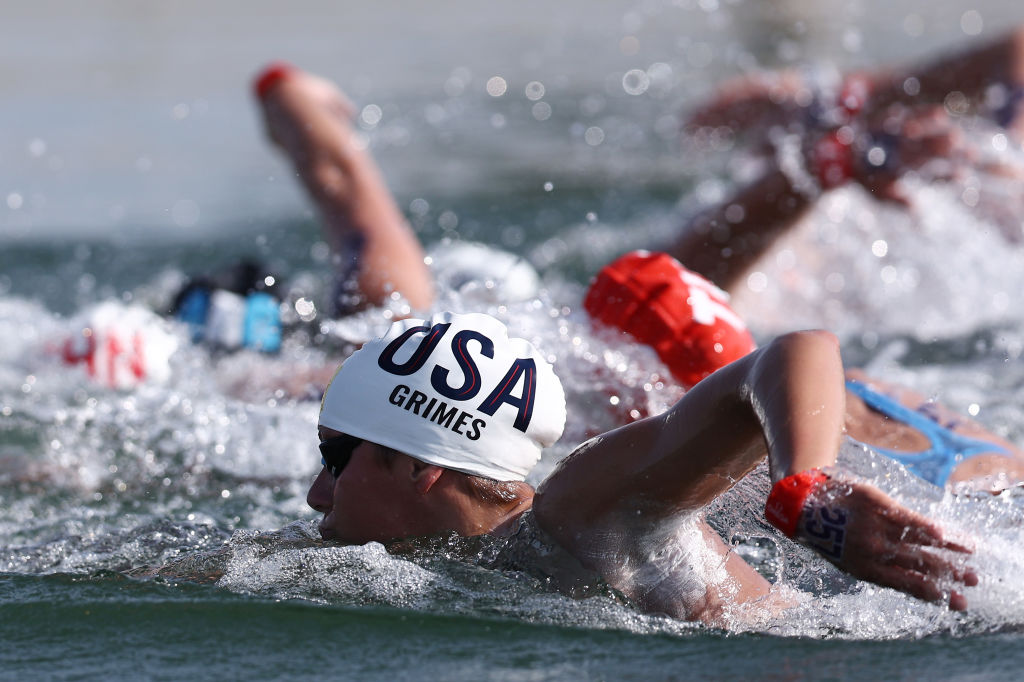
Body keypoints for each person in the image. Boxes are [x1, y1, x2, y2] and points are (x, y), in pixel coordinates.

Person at [253, 63, 1024, 626]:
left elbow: (789, 352)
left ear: (421, 470)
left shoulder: (583, 510)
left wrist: (806, 494)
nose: (317, 491)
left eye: (334, 456)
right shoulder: (449, 543)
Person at [674, 28, 1024, 291]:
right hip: (819, 190)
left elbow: (684, 292)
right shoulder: (999, 162)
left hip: (807, 267)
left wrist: (843, 159)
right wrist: (849, 103)